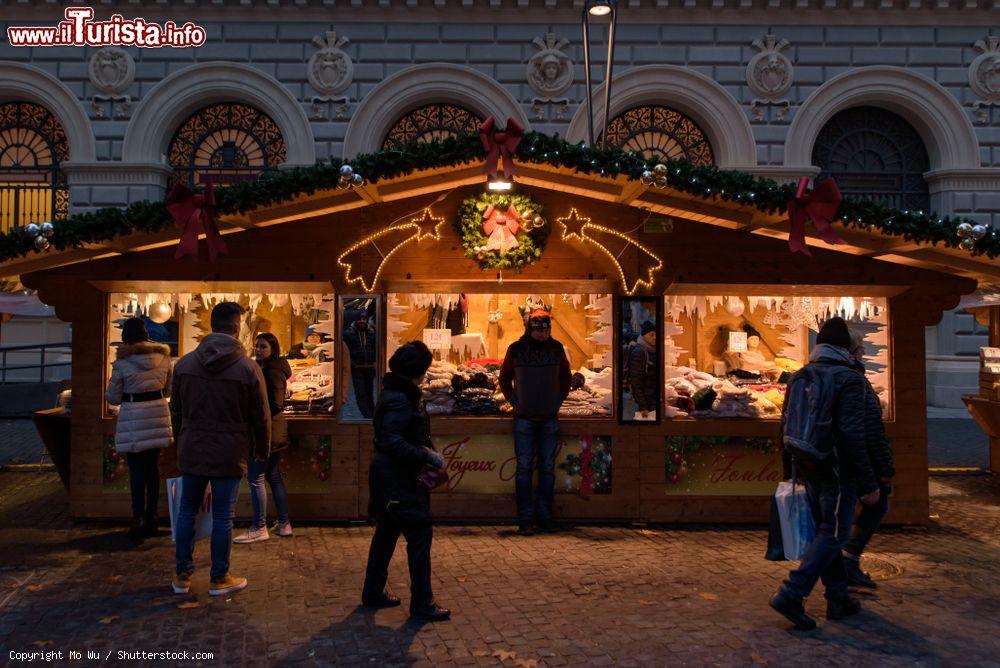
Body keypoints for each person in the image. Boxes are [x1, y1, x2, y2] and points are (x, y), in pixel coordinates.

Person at [769, 317, 881, 631]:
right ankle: (791, 592)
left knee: (825, 531)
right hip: (836, 471)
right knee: (834, 535)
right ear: (847, 348)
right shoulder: (850, 379)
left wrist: (788, 469)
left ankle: (838, 596)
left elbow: (785, 424)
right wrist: (869, 482)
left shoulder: (801, 375)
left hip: (808, 465)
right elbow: (852, 434)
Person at [170, 302, 271, 597]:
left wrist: (182, 440)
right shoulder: (247, 368)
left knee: (187, 511)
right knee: (222, 516)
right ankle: (219, 577)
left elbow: (175, 410)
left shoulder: (186, 365)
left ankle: (181, 575)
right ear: (237, 327)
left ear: (212, 325)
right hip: (229, 450)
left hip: (193, 447)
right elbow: (261, 416)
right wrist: (261, 450)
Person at [361, 341, 450, 622]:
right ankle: (422, 603)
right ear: (419, 372)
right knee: (420, 534)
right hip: (398, 478)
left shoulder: (395, 393)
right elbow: (393, 440)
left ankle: (373, 591)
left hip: (388, 477)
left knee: (386, 533)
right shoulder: (401, 399)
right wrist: (426, 455)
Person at [499, 308, 571, 535]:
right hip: (524, 418)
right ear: (530, 329)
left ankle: (545, 516)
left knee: (548, 469)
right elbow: (504, 378)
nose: (543, 334)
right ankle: (525, 518)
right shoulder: (516, 349)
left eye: (547, 330)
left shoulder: (557, 348)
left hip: (548, 418)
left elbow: (566, 378)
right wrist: (515, 402)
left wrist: (557, 401)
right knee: (524, 469)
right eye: (539, 330)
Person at [105, 317, 173, 541]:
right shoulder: (164, 358)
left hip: (133, 415)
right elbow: (168, 390)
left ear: (126, 338)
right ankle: (152, 515)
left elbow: (113, 397)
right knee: (152, 468)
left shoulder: (122, 363)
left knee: (137, 470)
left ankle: (138, 517)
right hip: (157, 414)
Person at [842, 329, 895, 588]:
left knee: (836, 521)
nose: (863, 353)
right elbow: (865, 430)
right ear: (852, 352)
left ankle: (838, 578)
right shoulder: (854, 380)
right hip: (854, 461)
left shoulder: (830, 376)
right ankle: (796, 590)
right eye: (860, 349)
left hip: (839, 461)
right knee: (874, 505)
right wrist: (882, 470)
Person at [235, 333, 293, 544]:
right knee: (273, 475)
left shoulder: (272, 372)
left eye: (264, 346)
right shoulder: (266, 369)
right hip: (273, 429)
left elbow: (275, 403)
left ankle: (259, 526)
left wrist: (254, 408)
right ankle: (284, 523)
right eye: (257, 346)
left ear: (273, 349)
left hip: (268, 430)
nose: (259, 349)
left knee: (255, 477)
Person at [343, 312, 377, 419]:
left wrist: (375, 362)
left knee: (369, 393)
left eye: (364, 319)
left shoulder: (372, 333)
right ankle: (367, 416)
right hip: (357, 368)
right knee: (360, 393)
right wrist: (352, 364)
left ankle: (372, 415)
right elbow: (346, 352)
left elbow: (376, 349)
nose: (362, 321)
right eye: (360, 319)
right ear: (356, 320)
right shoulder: (348, 334)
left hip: (370, 368)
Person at [627, 320, 658, 420]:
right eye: (651, 335)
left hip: (652, 399)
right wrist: (643, 405)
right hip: (646, 402)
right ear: (644, 336)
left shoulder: (652, 350)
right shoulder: (639, 352)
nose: (655, 337)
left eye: (656, 335)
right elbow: (635, 381)